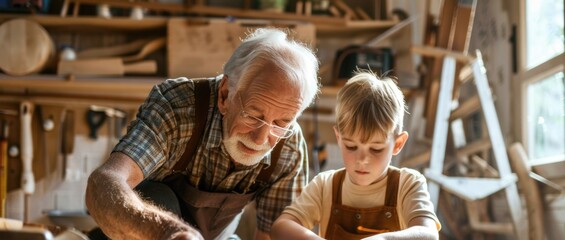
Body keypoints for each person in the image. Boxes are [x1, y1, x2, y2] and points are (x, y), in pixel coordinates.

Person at [85, 28, 320, 240]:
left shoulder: (288, 144)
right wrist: (168, 232)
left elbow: (271, 234)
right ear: (225, 95)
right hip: (141, 235)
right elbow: (104, 182)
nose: (260, 139)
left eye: (281, 122)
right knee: (159, 196)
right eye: (252, 116)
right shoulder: (178, 107)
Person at [271, 71, 441, 240]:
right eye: (351, 146)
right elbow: (280, 227)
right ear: (338, 138)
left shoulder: (408, 184)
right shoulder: (325, 186)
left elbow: (429, 235)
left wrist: (383, 239)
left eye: (376, 149)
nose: (362, 160)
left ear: (398, 144)